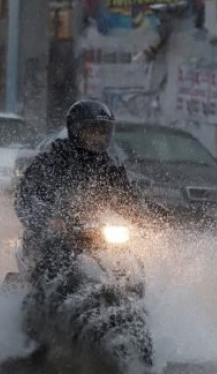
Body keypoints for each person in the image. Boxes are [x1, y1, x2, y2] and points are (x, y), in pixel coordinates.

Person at [14, 99, 146, 277]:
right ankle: (43, 301)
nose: (98, 137)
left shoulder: (108, 165)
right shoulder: (52, 159)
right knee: (54, 266)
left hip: (93, 232)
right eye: (92, 131)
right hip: (53, 234)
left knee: (128, 261)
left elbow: (127, 197)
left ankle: (132, 295)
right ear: (75, 130)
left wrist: (150, 216)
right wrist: (48, 218)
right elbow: (26, 197)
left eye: (102, 132)